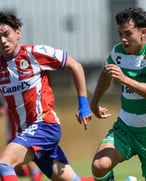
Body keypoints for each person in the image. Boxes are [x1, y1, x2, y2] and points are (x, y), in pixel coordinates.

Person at [0, 12, 94, 181]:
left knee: (4, 164)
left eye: (6, 34)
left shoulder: (34, 54)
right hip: (28, 132)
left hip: (44, 125)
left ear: (17, 33)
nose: (3, 41)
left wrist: (83, 104)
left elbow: (75, 65)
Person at [90, 7, 146, 181]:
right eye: (120, 34)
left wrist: (125, 79)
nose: (123, 40)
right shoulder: (118, 52)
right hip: (126, 128)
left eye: (128, 34)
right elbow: (106, 75)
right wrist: (94, 103)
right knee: (99, 166)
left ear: (143, 32)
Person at [0, 95, 43, 181]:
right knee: (12, 168)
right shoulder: (3, 88)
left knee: (5, 165)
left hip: (24, 134)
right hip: (13, 136)